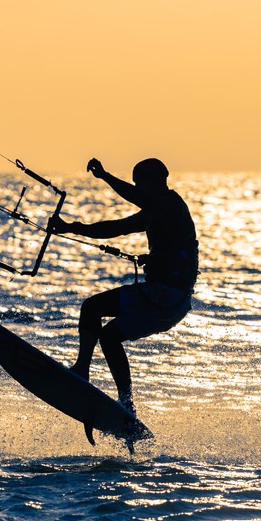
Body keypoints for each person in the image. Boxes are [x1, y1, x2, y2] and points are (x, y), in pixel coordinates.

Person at [50, 157, 199, 415]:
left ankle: (82, 370)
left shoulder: (169, 203)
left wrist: (105, 176)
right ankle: (126, 403)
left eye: (139, 185)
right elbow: (115, 228)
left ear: (152, 183)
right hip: (175, 303)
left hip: (163, 295)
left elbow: (134, 199)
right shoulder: (160, 211)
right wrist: (73, 228)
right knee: (109, 337)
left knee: (92, 307)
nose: (137, 190)